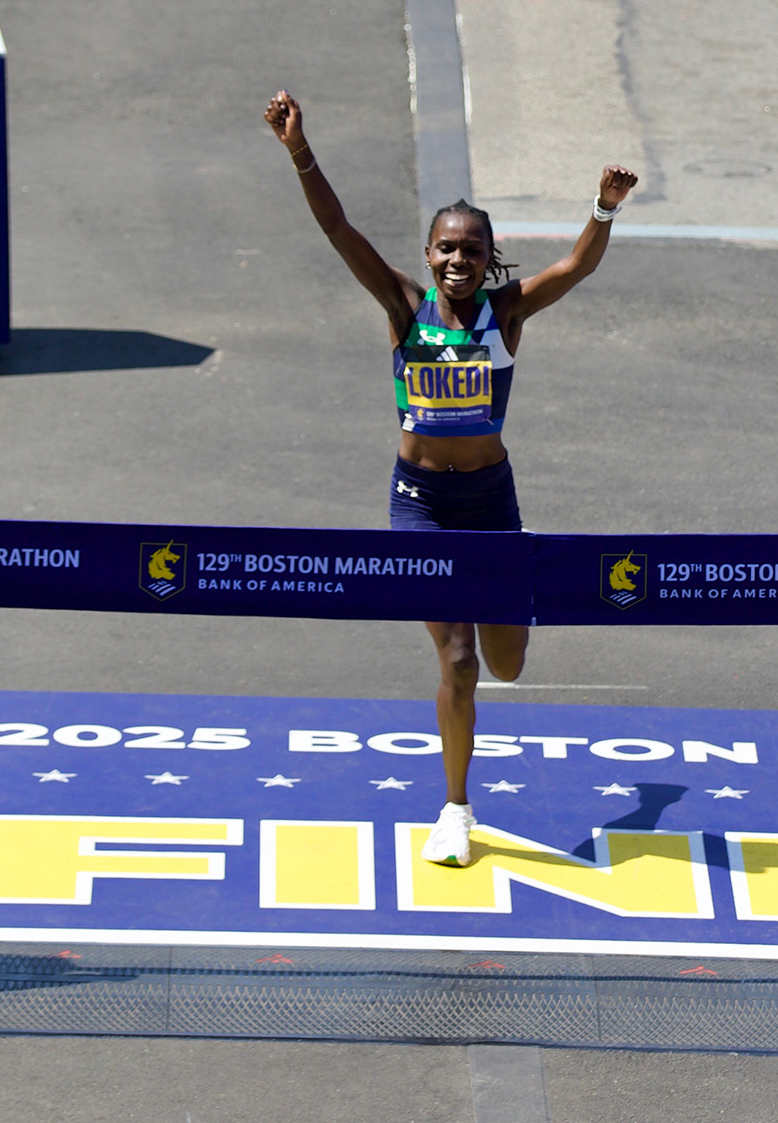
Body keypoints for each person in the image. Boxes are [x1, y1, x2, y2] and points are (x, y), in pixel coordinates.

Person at [263, 89, 637, 867]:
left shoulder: (507, 315)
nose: (457, 260)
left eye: (471, 250)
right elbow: (338, 228)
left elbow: (574, 266)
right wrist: (300, 148)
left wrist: (602, 209)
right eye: (445, 249)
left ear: (488, 257)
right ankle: (456, 809)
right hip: (421, 505)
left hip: (490, 503)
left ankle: (479, 726)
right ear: (428, 254)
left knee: (506, 663)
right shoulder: (403, 305)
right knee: (459, 660)